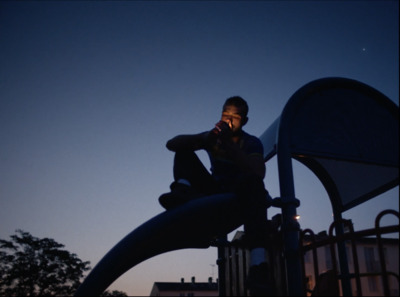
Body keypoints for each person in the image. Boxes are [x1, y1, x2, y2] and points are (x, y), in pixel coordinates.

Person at [159, 96, 273, 295]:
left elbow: (257, 173)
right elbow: (171, 144)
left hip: (239, 193)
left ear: (244, 121)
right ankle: (182, 191)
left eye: (235, 117)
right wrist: (202, 139)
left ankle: (258, 265)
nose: (228, 120)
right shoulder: (212, 138)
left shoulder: (251, 142)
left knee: (254, 183)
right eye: (225, 114)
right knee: (184, 150)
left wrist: (229, 143)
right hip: (214, 189)